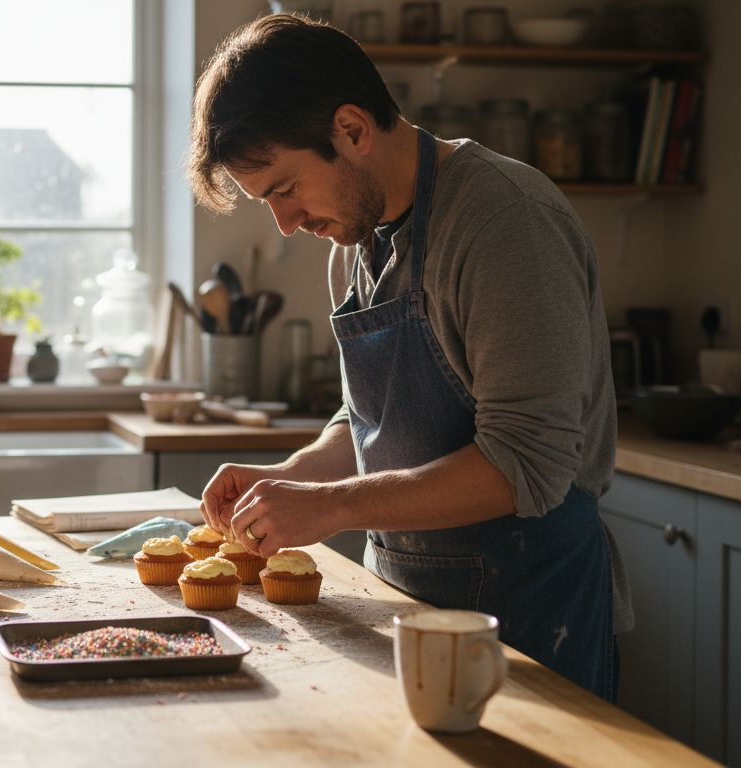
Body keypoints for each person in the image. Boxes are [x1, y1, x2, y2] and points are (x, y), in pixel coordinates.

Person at [188, 13, 630, 701]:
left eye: (284, 189)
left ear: (353, 131)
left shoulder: (503, 221)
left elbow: (527, 464)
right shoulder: (353, 242)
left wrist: (330, 506)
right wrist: (290, 481)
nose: (286, 223)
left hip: (530, 613)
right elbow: (366, 418)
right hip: (401, 601)